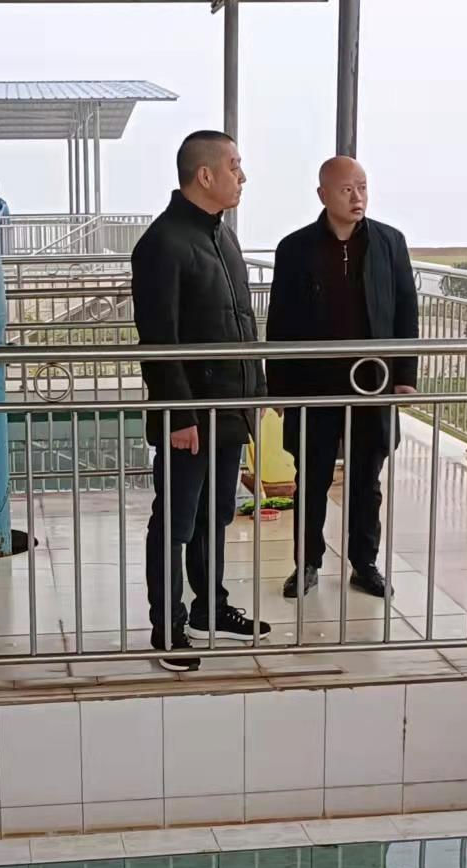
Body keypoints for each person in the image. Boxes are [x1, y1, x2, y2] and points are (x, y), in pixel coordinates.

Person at [131, 130, 271, 671]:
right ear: (205, 175)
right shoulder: (163, 244)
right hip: (190, 415)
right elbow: (158, 340)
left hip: (230, 408)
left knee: (217, 513)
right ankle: (167, 628)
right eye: (235, 166)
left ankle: (209, 608)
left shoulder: (222, 236)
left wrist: (257, 393)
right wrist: (180, 414)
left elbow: (240, 324)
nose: (243, 176)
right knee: (176, 520)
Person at [265, 156, 419, 600]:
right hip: (314, 384)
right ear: (323, 195)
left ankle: (364, 563)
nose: (357, 197)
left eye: (362, 187)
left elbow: (405, 310)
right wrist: (279, 387)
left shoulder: (389, 242)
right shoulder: (295, 248)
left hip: (373, 382)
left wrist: (405, 375)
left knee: (366, 480)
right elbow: (281, 320)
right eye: (347, 189)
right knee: (311, 477)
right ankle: (307, 563)